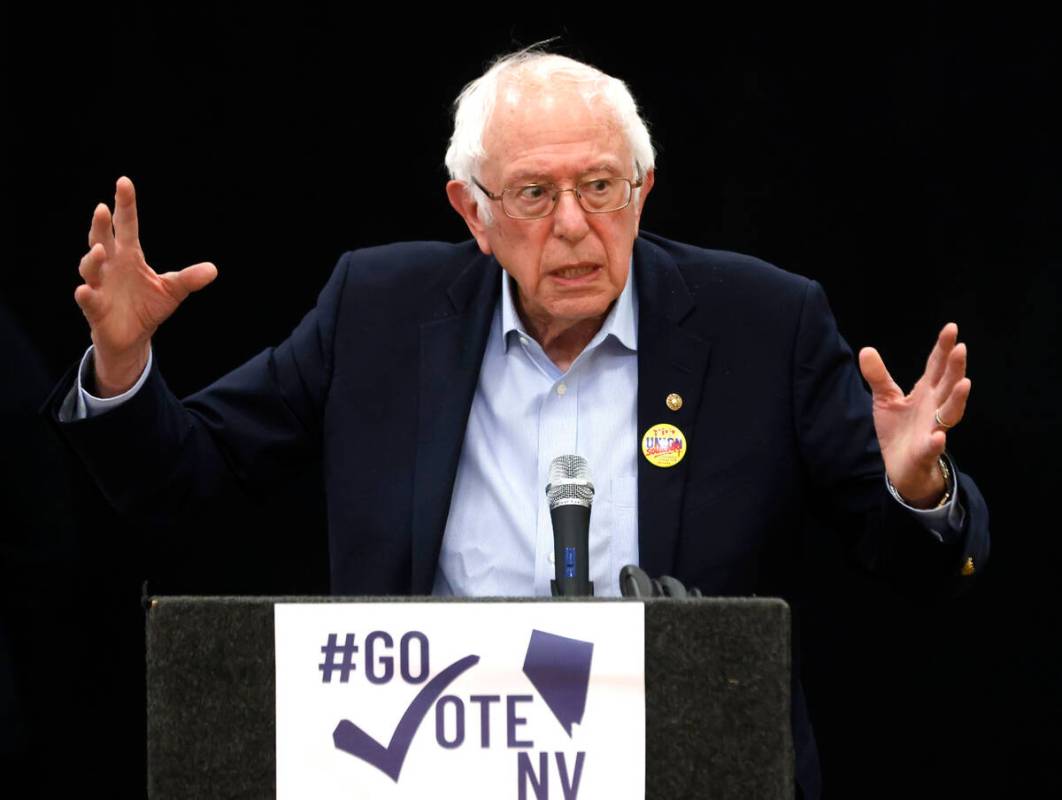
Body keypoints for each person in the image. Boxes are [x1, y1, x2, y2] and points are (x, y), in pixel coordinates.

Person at [47, 49, 989, 798]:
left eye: (602, 187)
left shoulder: (761, 321)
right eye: (536, 195)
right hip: (432, 770)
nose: (575, 226)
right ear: (474, 212)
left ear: (645, 187)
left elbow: (914, 565)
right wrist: (125, 364)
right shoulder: (378, 309)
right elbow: (189, 480)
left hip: (687, 768)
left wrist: (918, 492)